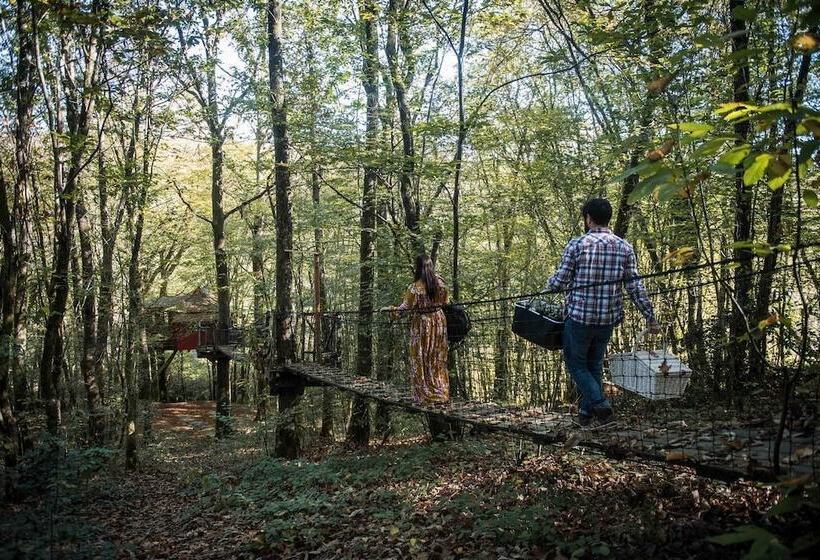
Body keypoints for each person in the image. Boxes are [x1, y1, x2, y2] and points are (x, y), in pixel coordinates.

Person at [546, 198, 661, 427]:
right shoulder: (624, 247)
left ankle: (601, 405)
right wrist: (650, 316)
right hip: (607, 319)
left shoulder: (577, 245)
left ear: (588, 219)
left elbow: (559, 282)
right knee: (595, 365)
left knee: (576, 364)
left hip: (579, 318)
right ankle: (585, 415)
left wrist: (550, 284)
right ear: (608, 218)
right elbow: (635, 286)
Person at [385, 254, 450, 404]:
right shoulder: (441, 283)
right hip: (439, 323)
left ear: (418, 268)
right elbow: (446, 302)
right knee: (436, 357)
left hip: (422, 325)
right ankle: (440, 391)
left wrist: (391, 310)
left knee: (420, 357)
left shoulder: (415, 288)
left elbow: (403, 310)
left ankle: (424, 394)